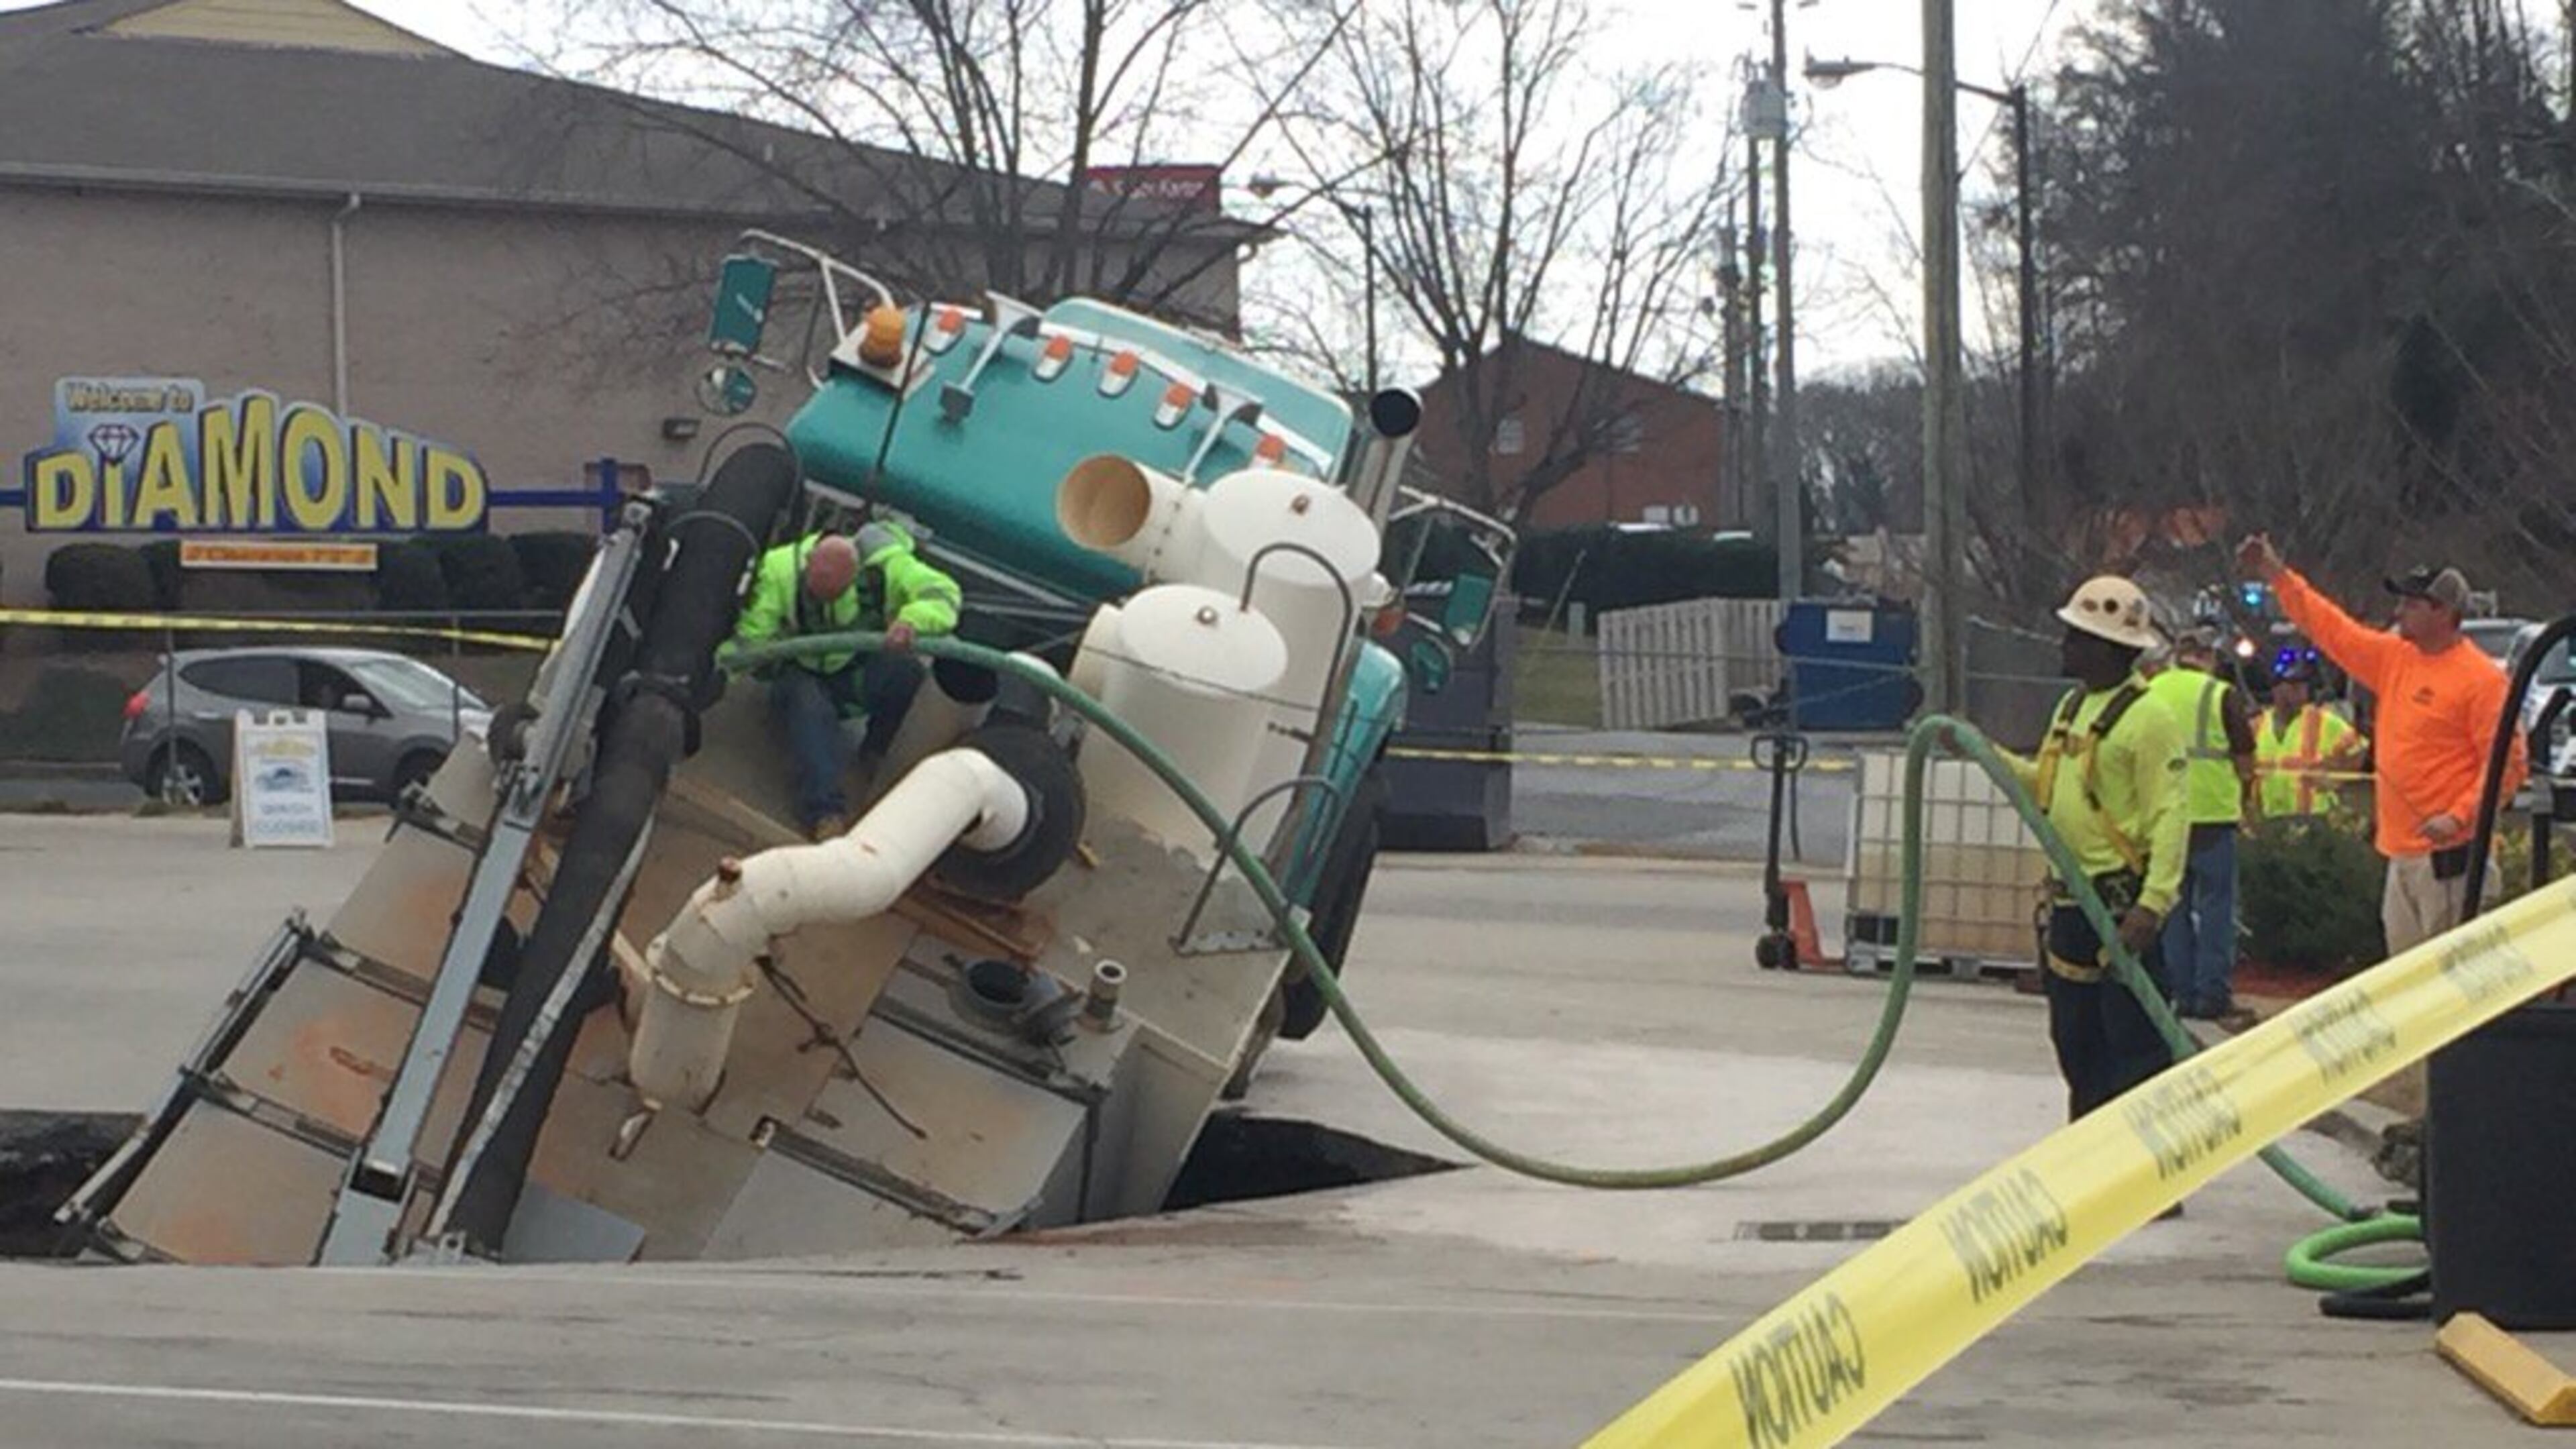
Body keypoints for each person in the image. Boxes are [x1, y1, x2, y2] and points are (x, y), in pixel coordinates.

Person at [2236, 538, 2526, 953]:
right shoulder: (2396, 658)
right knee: (2406, 983)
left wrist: (2458, 816)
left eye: (2411, 604)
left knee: (2448, 985)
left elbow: (2510, 767)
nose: (2397, 613)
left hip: (2452, 859)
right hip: (2402, 854)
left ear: (2443, 612)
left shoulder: (2482, 682)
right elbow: (2331, 629)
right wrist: (2276, 574)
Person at [2001, 575, 2190, 1126]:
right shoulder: (2072, 706)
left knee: (2134, 1047)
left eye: (2077, 637)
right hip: (2071, 904)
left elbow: (2170, 814)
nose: (2065, 646)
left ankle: (2148, 1173)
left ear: (2108, 649)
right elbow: (2049, 784)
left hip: (2120, 904)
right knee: (2076, 1043)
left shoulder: (2149, 719)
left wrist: (2153, 904)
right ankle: (2090, 1164)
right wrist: (1983, 753)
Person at [730, 521, 963, 840]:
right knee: (807, 706)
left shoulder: (886, 564)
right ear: (808, 565)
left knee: (907, 675)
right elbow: (752, 637)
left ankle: (881, 754)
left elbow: (943, 594)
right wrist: (722, 672)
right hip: (801, 673)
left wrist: (912, 621)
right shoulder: (779, 570)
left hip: (856, 668)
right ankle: (824, 812)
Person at [2144, 628, 2258, 1022]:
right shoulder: (2220, 694)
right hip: (2214, 818)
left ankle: (2181, 993)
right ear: (2208, 657)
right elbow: (2245, 755)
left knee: (2172, 909)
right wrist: (2247, 800)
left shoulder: (2152, 691)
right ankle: (2213, 995)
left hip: (2166, 818)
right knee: (2216, 910)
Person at [2253, 657, 2365, 820]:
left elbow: (2358, 749)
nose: (2301, 691)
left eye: (2303, 686)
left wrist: (2336, 778)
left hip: (2313, 817)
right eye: (2293, 686)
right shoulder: (2257, 725)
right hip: (2268, 817)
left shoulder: (2323, 720)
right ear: (2277, 689)